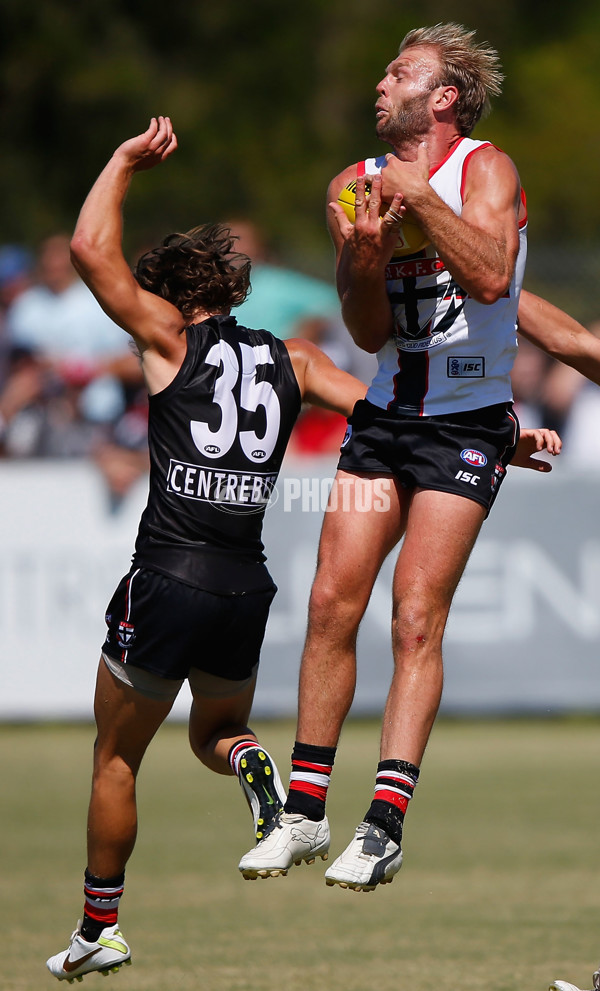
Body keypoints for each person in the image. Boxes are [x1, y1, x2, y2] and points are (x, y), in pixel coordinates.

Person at [45, 116, 369, 982]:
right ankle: (258, 768)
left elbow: (86, 249)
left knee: (117, 756)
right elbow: (378, 412)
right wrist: (503, 434)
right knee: (217, 729)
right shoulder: (295, 359)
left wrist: (119, 160)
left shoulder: (167, 341)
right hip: (242, 584)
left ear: (175, 298)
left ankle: (98, 927)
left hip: (163, 577)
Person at [238, 21, 537, 892]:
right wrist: (366, 257)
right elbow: (367, 329)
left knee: (415, 614)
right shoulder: (349, 186)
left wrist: (418, 206)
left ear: (442, 98)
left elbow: (487, 276)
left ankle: (383, 823)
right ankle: (303, 809)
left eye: (399, 72)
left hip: (466, 425)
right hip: (383, 422)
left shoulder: (487, 168)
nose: (380, 83)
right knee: (332, 599)